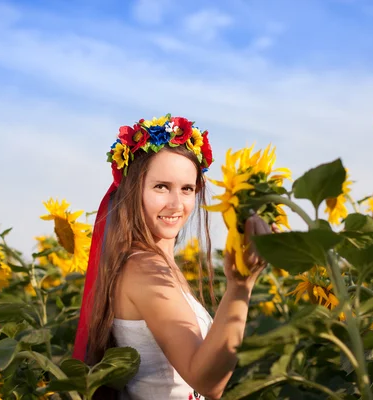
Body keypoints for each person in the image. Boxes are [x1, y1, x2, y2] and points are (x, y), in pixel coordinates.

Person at [73, 115, 272, 399]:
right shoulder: (145, 268)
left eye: (187, 189)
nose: (177, 204)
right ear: (133, 191)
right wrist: (241, 286)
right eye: (161, 187)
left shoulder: (156, 263)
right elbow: (206, 382)